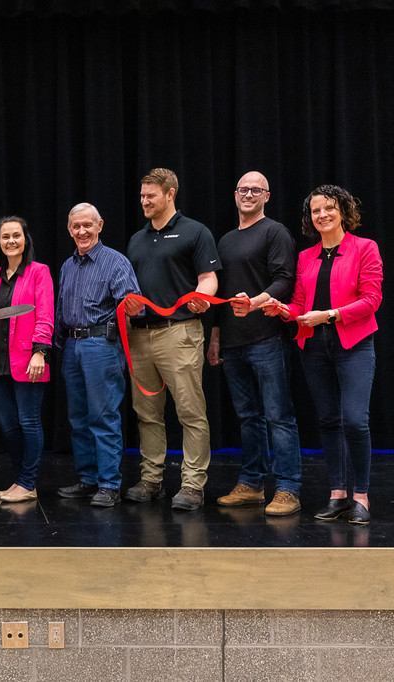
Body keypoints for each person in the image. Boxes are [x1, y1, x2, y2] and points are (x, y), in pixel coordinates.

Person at [262, 185, 382, 525]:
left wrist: (328, 315)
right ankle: (337, 494)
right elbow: (301, 304)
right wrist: (283, 309)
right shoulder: (305, 256)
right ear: (310, 218)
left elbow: (371, 300)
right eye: (316, 211)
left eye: (329, 208)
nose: (323, 215)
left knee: (355, 421)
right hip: (314, 347)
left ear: (343, 211)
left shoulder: (365, 248)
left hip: (353, 344)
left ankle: (361, 496)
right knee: (329, 421)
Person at [207, 171, 302, 516]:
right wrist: (216, 337)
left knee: (279, 416)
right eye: (243, 189)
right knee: (249, 417)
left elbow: (285, 281)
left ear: (267, 195)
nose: (248, 194)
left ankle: (289, 488)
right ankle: (252, 484)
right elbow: (220, 292)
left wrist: (256, 302)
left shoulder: (275, 232)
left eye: (255, 190)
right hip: (232, 343)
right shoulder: (226, 240)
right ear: (235, 194)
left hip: (266, 338)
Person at [125, 168, 220, 511]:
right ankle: (152, 479)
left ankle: (193, 485)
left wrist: (202, 295)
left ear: (170, 193)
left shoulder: (195, 232)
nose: (144, 201)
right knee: (147, 412)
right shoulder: (137, 239)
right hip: (139, 336)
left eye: (150, 195)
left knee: (190, 412)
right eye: (141, 196)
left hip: (179, 331)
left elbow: (209, 279)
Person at [55, 203, 141, 508]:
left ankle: (109, 484)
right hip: (72, 346)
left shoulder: (116, 263)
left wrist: (129, 316)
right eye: (76, 226)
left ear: (100, 225)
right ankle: (88, 478)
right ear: (69, 229)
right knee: (78, 419)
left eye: (87, 225)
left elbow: (134, 309)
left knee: (103, 417)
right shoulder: (67, 266)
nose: (81, 231)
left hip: (102, 346)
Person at [0, 216, 54, 503]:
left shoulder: (39, 272)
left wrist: (40, 351)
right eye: (5, 237)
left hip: (29, 359)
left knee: (28, 422)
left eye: (16, 235)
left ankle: (28, 482)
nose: (11, 241)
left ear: (25, 239)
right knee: (8, 425)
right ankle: (20, 481)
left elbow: (45, 314)